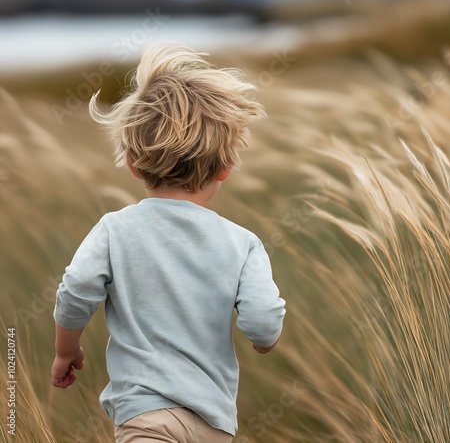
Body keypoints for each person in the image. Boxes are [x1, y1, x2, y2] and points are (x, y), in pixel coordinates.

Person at [51, 43, 286, 442]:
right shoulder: (243, 243)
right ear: (226, 167)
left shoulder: (115, 229)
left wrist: (65, 351)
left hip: (144, 415)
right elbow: (263, 320)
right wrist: (263, 343)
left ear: (131, 163)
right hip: (215, 422)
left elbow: (75, 291)